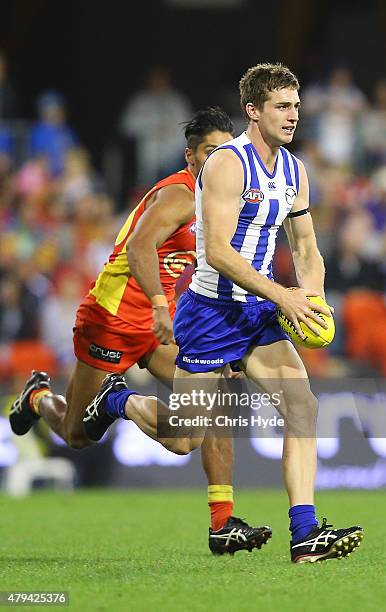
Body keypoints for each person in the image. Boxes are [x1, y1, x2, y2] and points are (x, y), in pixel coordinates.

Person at [80, 64, 365, 563]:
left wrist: (312, 300)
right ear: (252, 111)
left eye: (296, 105)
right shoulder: (227, 164)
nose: (293, 115)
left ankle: (305, 534)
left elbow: (305, 248)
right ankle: (117, 401)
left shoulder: (295, 171)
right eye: (281, 106)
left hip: (256, 312)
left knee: (303, 407)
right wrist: (284, 295)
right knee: (183, 437)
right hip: (210, 312)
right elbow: (215, 251)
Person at [10, 107, 271, 555]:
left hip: (160, 326)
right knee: (76, 434)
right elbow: (138, 247)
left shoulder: (218, 200)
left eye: (226, 150)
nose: (219, 159)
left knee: (213, 402)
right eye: (209, 151)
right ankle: (39, 398)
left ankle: (222, 522)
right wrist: (155, 304)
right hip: (114, 318)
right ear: (191, 156)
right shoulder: (181, 195)